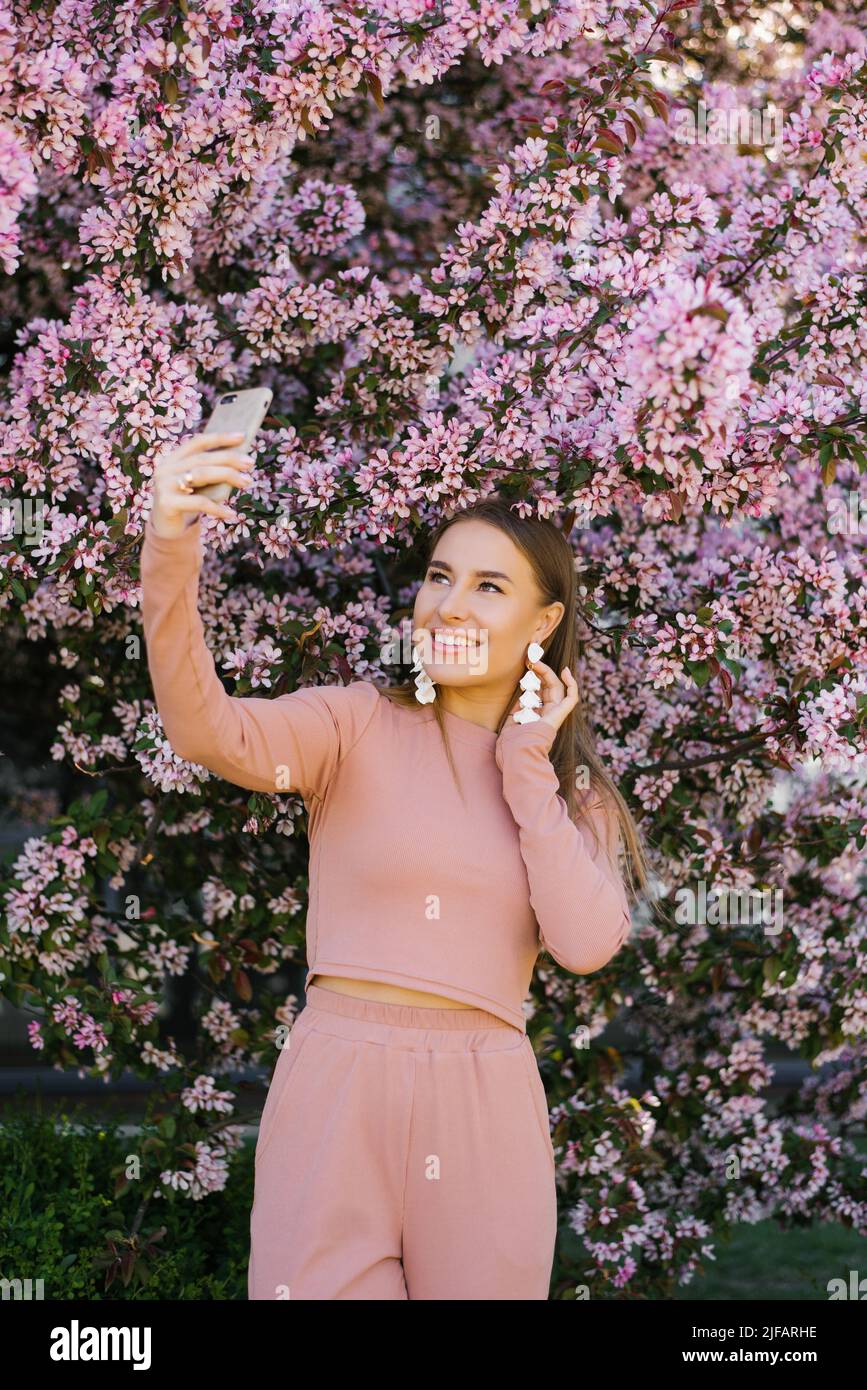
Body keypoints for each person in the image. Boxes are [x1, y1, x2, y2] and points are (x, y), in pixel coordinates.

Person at [140, 430, 647, 1300]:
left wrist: (526, 767)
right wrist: (170, 544)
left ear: (545, 621)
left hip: (483, 1100)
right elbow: (206, 731)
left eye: (488, 586)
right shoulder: (352, 724)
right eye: (439, 576)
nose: (448, 605)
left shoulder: (568, 794)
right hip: (336, 1083)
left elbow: (587, 943)